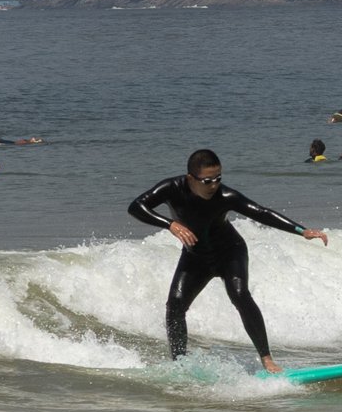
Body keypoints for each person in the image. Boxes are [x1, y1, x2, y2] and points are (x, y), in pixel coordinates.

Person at [127, 148, 328, 373]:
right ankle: (179, 363)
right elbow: (136, 207)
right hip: (196, 257)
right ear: (191, 178)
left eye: (218, 178)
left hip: (230, 252)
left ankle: (267, 359)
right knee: (175, 306)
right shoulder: (172, 189)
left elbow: (261, 212)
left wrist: (302, 231)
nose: (214, 185)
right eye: (208, 180)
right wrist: (170, 224)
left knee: (240, 295)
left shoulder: (225, 196)